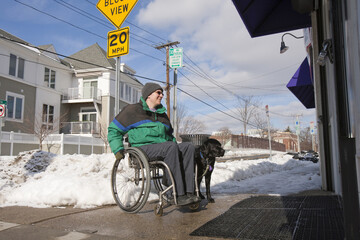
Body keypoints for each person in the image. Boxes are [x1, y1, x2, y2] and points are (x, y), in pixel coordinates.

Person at [108, 82, 199, 206]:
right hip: (142, 150)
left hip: (164, 148)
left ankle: (189, 191)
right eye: (159, 93)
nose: (162, 95)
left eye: (162, 93)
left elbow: (169, 137)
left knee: (188, 147)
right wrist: (117, 149)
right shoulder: (133, 110)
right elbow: (114, 130)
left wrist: (178, 148)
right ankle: (177, 193)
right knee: (170, 147)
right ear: (148, 95)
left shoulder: (162, 115)